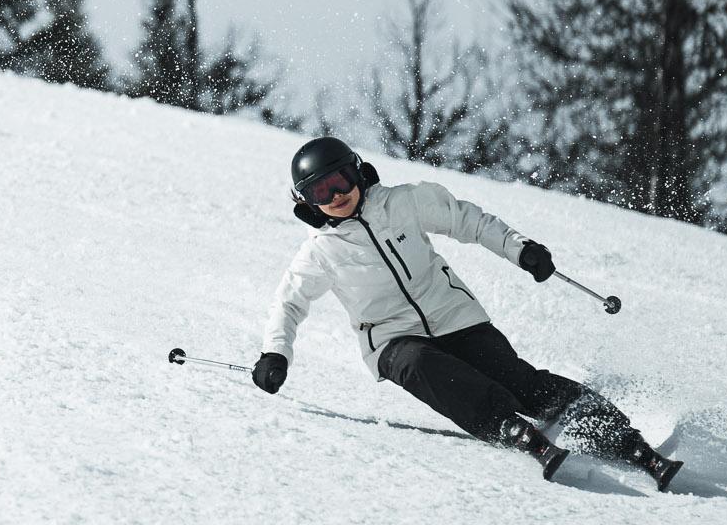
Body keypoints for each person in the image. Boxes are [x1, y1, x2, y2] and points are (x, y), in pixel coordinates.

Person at [253, 136, 680, 490]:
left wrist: (521, 249)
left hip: (455, 316)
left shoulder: (404, 203)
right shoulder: (319, 253)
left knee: (521, 381)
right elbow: (289, 303)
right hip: (391, 340)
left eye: (341, 180)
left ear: (357, 171)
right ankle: (508, 427)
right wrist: (276, 353)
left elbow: (469, 221)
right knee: (426, 366)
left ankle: (627, 441)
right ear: (307, 202)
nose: (337, 196)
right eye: (321, 192)